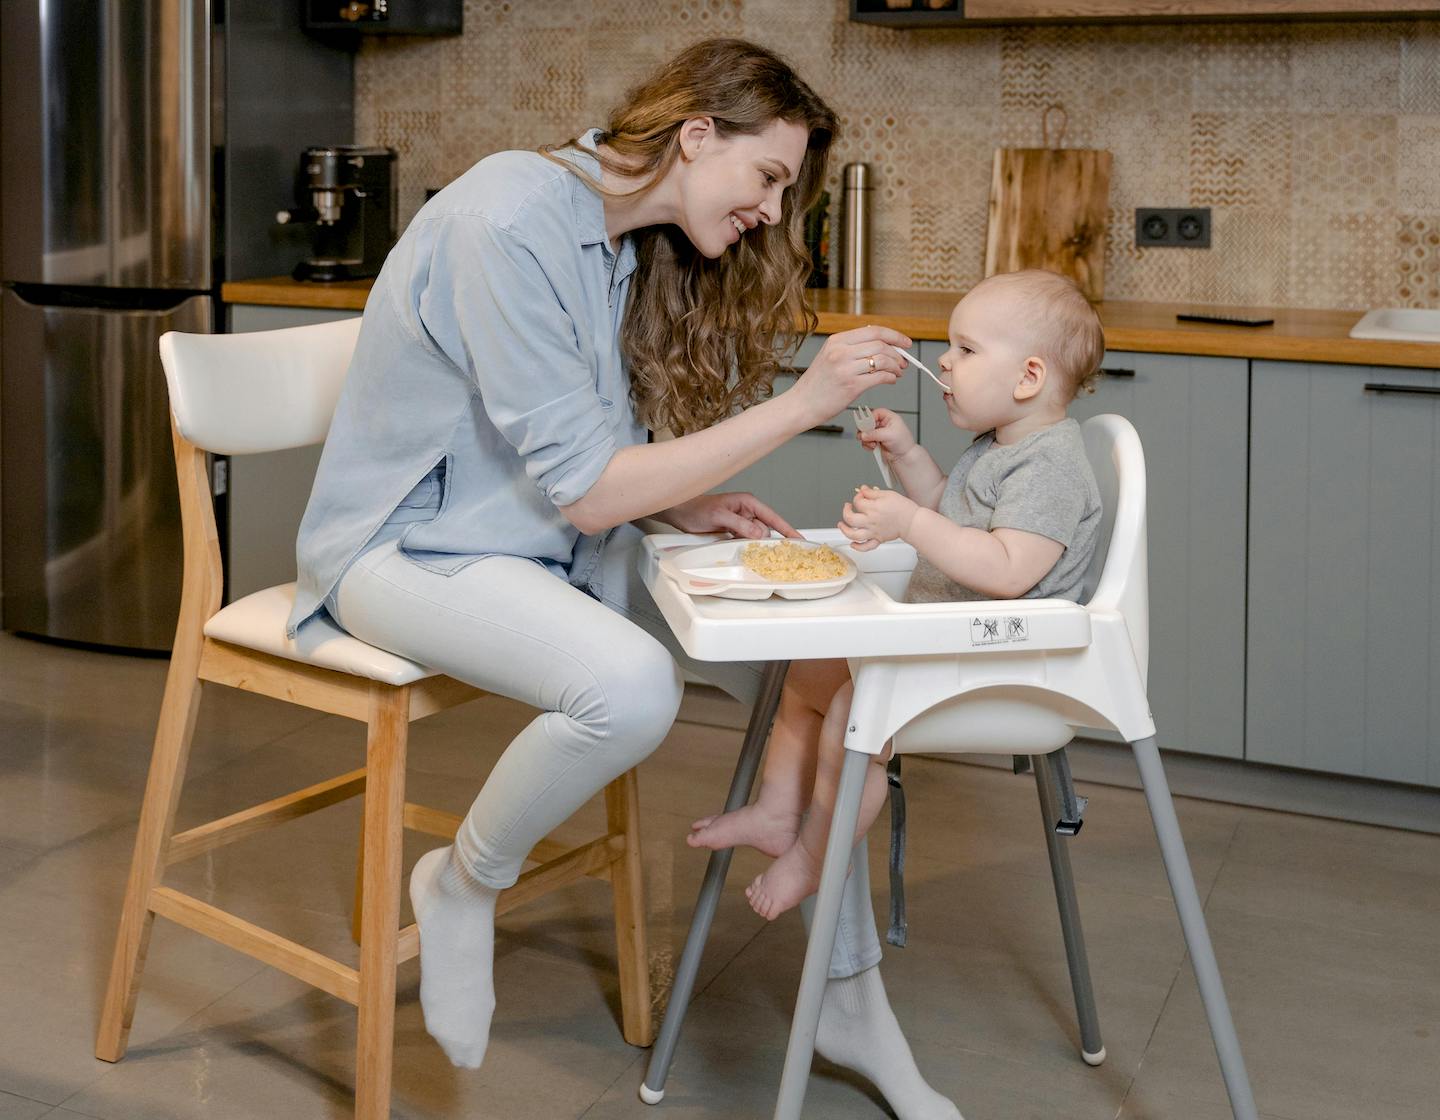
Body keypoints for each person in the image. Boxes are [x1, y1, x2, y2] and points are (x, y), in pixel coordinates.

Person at [287, 36, 962, 1120]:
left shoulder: (611, 242)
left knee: (829, 672)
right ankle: (462, 881)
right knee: (631, 687)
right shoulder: (508, 218)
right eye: (770, 179)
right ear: (697, 134)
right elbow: (589, 487)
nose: (772, 213)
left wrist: (677, 505)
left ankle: (847, 999)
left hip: (537, 540)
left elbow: (575, 463)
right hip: (405, 550)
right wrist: (801, 401)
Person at [688, 269, 1106, 926]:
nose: (943, 359)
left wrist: (909, 524)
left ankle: (814, 854)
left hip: (1008, 664)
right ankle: (775, 811)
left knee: (856, 710)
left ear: (1028, 377)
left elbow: (1005, 569)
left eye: (966, 350)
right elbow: (953, 512)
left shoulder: (1048, 465)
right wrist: (907, 453)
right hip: (951, 642)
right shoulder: (1001, 445)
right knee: (813, 673)